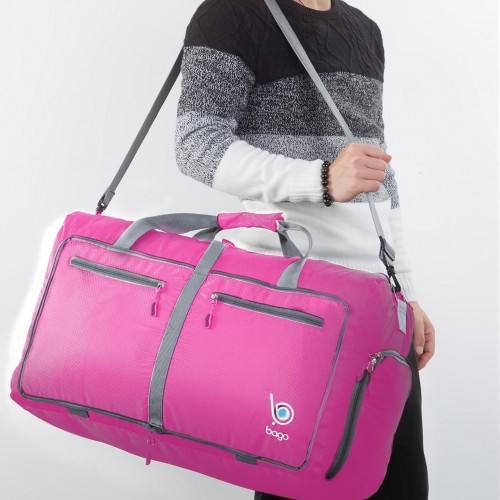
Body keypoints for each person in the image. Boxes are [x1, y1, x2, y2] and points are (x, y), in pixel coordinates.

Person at [175, 0, 435, 498]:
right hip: (293, 304)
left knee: (399, 484)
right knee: (299, 483)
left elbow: (378, 174)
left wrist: (406, 292)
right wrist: (320, 179)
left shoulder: (364, 30)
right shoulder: (230, 14)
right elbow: (196, 143)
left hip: (379, 306)